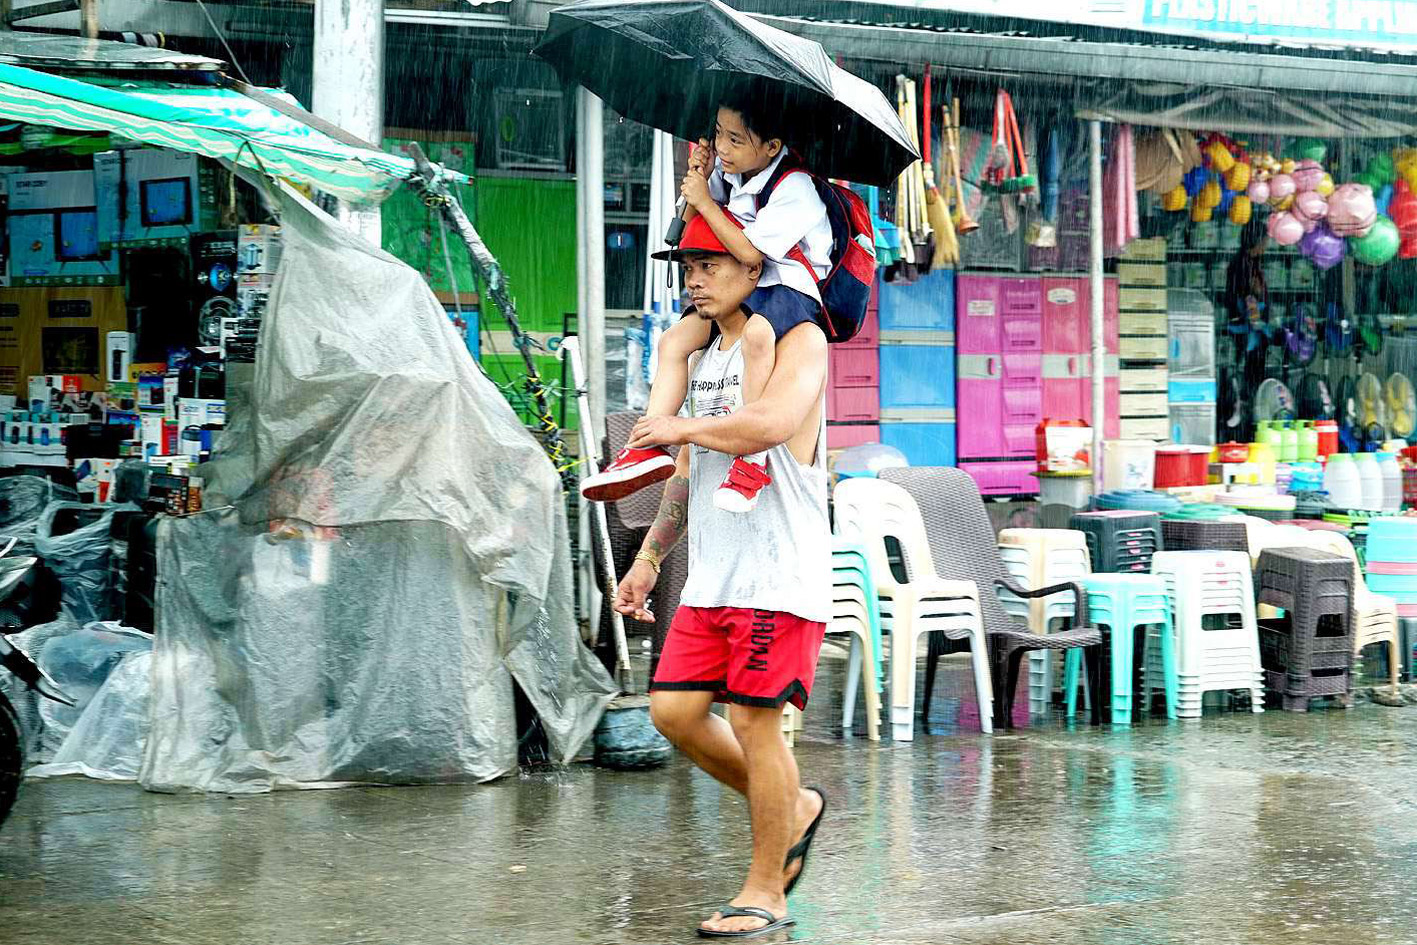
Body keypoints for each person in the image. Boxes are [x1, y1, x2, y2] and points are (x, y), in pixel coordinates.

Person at [613, 211, 830, 939]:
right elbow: (686, 472)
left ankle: (765, 889)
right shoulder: (702, 353)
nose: (694, 278)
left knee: (754, 724)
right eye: (688, 267)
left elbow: (768, 424)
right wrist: (649, 558)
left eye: (709, 262)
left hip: (778, 575)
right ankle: (791, 806)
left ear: (754, 264)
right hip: (713, 578)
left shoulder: (800, 341)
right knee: (671, 712)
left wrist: (679, 427)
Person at [581, 89, 831, 515]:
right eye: (719, 135)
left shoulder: (797, 187)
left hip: (787, 284)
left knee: (757, 334)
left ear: (771, 147)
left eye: (736, 139)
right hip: (746, 287)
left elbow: (750, 254)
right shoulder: (729, 173)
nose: (723, 148)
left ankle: (751, 462)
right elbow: (696, 234)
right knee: (674, 341)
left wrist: (703, 199)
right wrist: (698, 179)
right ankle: (646, 446)